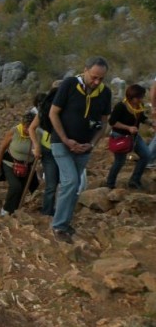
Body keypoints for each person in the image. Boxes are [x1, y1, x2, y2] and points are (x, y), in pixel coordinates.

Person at [49, 56, 112, 243]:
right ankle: (58, 226)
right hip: (61, 143)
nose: (96, 81)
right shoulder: (69, 84)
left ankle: (65, 223)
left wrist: (92, 144)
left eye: (101, 78)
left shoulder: (105, 93)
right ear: (85, 70)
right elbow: (54, 113)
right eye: (93, 77)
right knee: (70, 181)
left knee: (75, 186)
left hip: (84, 147)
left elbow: (104, 122)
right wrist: (66, 140)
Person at [106, 84, 152, 190]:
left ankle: (134, 180)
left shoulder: (139, 106)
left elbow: (142, 117)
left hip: (134, 137)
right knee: (120, 162)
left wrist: (151, 123)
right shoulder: (121, 106)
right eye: (140, 97)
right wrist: (128, 128)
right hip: (120, 137)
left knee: (146, 155)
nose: (142, 99)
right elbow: (112, 122)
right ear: (133, 97)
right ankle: (110, 183)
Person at [0, 112, 37, 216]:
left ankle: (15, 210)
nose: (28, 130)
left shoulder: (38, 133)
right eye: (26, 127)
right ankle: (6, 209)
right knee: (16, 186)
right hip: (10, 163)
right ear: (23, 124)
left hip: (27, 166)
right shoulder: (14, 131)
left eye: (31, 128)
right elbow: (2, 148)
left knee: (24, 189)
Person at [28, 82, 61, 216]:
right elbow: (31, 128)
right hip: (50, 150)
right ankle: (48, 211)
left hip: (66, 150)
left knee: (63, 184)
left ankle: (59, 211)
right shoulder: (46, 108)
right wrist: (36, 146)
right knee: (52, 184)